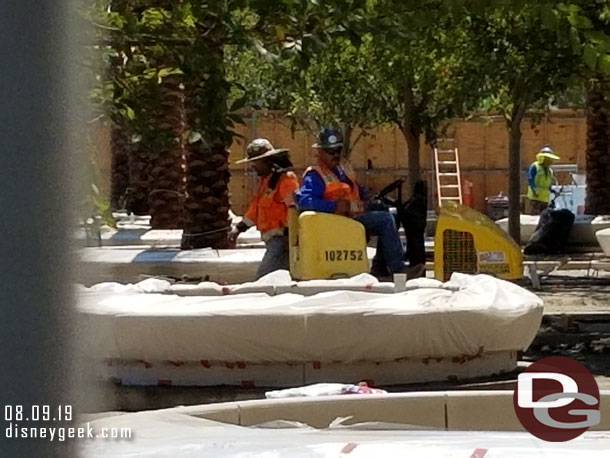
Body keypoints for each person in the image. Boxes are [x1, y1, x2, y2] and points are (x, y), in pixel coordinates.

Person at [297, 127, 425, 279]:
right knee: (385, 220)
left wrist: (366, 193)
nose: (336, 155)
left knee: (390, 212)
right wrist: (332, 206)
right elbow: (304, 201)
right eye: (331, 152)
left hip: (353, 214)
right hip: (339, 220)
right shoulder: (314, 175)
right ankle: (398, 268)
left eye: (338, 150)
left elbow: (353, 187)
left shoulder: (341, 170)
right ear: (320, 152)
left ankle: (380, 266)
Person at [229, 139, 299, 278]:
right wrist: (238, 229)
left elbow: (294, 209)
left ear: (268, 161)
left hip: (281, 242)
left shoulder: (285, 180)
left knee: (264, 278)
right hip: (273, 242)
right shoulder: (266, 182)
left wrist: (289, 236)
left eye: (256, 162)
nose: (253, 166)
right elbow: (255, 209)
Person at [526, 146, 560, 215]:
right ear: (542, 158)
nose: (550, 161)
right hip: (535, 199)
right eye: (548, 159)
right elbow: (530, 179)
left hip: (545, 199)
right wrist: (534, 190)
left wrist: (554, 192)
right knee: (533, 219)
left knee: (543, 219)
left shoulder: (550, 171)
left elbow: (548, 185)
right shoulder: (535, 166)